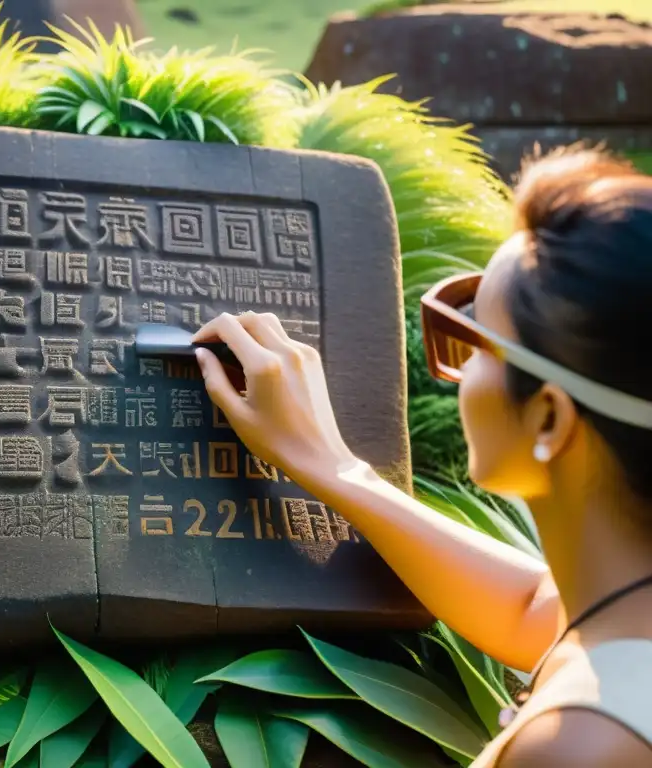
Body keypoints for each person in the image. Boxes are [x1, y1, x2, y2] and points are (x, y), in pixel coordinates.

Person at [192, 147, 652, 767]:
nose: (456, 378)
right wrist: (334, 466)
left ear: (549, 416)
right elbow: (528, 609)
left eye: (475, 344)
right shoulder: (620, 614)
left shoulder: (582, 746)